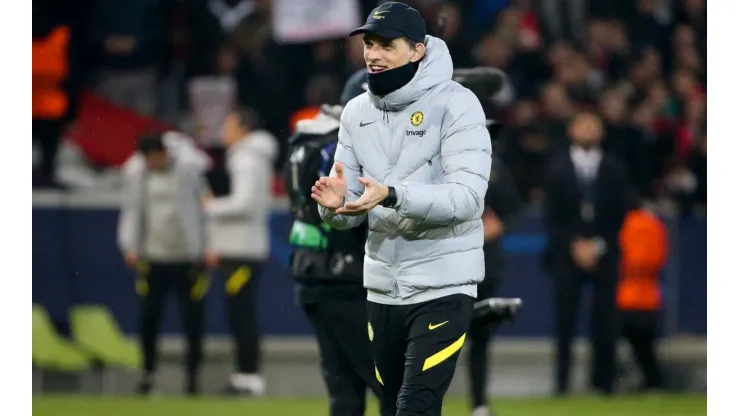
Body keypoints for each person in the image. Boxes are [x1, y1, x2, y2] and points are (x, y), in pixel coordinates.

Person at [312, 3, 493, 414]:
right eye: (369, 44)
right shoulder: (356, 112)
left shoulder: (457, 105)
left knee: (414, 407)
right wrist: (334, 208)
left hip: (443, 286)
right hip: (381, 290)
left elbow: (467, 199)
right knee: (393, 407)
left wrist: (393, 193)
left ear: (417, 50)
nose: (373, 54)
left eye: (385, 45)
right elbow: (346, 212)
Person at [284, 69, 383, 415]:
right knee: (394, 386)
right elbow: (348, 208)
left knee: (345, 390)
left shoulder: (304, 140)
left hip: (311, 271)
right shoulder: (339, 144)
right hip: (346, 276)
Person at [542, 111, 630, 396]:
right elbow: (551, 216)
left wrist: (598, 245)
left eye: (594, 125)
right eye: (583, 124)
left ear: (602, 132)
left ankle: (603, 384)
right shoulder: (557, 168)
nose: (588, 130)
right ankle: (561, 384)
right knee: (565, 321)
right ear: (571, 130)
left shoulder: (614, 168)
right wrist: (574, 244)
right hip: (567, 254)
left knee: (605, 319)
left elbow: (620, 214)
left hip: (604, 252)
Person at [117, 132, 211, 396]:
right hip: (154, 257)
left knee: (193, 321)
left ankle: (192, 379)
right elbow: (132, 209)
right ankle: (147, 374)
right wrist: (130, 245)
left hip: (189, 257)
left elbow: (205, 206)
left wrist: (208, 245)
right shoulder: (137, 173)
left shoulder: (189, 167)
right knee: (149, 318)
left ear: (163, 153)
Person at [203, 107, 278, 396]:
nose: (223, 132)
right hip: (241, 248)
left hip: (243, 249)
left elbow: (245, 203)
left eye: (228, 125)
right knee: (239, 314)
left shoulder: (247, 160)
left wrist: (210, 206)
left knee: (242, 315)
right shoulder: (249, 158)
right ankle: (245, 374)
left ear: (243, 128)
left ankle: (249, 376)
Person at [617, 204, 667, 391]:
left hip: (625, 294)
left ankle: (614, 383)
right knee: (645, 347)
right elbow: (659, 258)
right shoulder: (654, 224)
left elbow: (623, 258)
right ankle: (653, 383)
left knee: (619, 344)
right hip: (648, 296)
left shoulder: (625, 225)